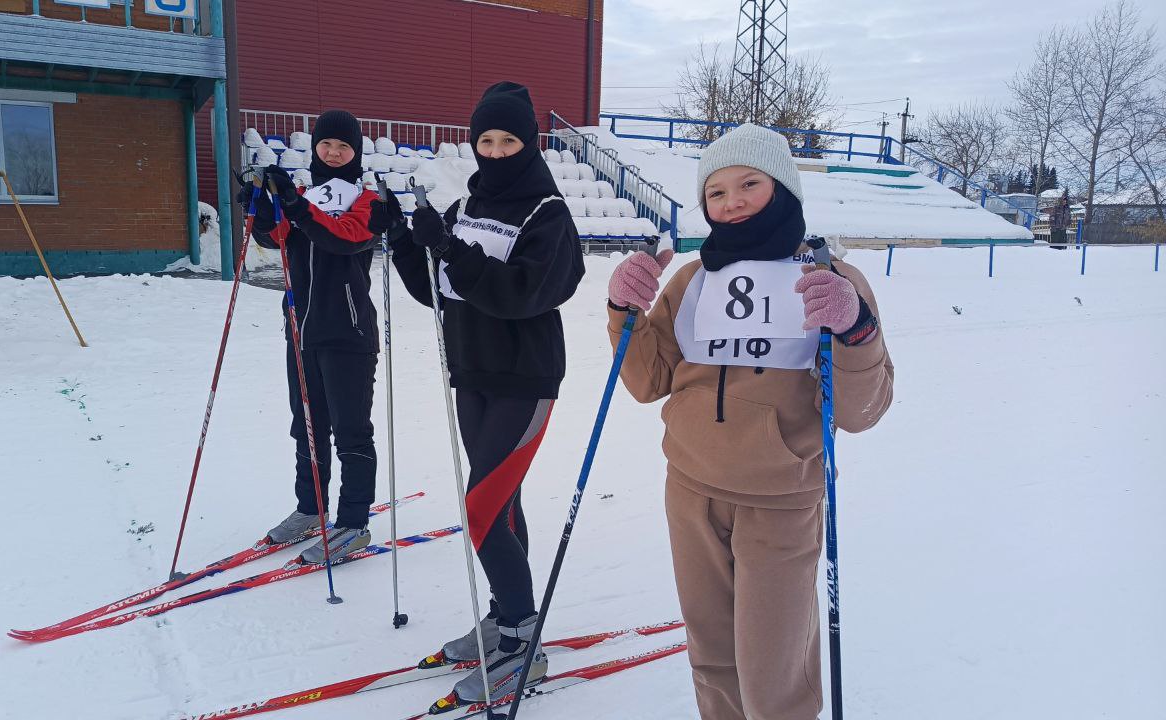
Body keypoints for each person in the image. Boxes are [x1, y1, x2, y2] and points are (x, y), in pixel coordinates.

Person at [605, 124, 894, 720]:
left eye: (749, 184)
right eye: (716, 192)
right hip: (691, 489)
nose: (731, 202)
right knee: (712, 657)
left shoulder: (827, 277)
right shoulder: (692, 279)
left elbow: (862, 411)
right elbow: (646, 381)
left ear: (782, 187)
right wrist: (622, 311)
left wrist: (855, 328)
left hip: (780, 498)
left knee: (772, 671)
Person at [370, 81, 585, 707]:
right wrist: (404, 237)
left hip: (525, 379)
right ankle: (504, 615)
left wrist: (451, 250)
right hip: (472, 373)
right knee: (501, 502)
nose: (494, 152)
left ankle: (523, 642)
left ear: (530, 143)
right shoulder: (466, 205)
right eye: (485, 140)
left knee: (482, 506)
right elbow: (434, 288)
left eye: (508, 140)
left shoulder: (548, 215)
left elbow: (523, 294)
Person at [237, 110, 381, 565]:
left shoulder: (368, 200)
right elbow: (277, 238)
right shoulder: (302, 196)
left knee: (350, 431)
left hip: (349, 333)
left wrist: (297, 208)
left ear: (356, 151)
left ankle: (353, 523)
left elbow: (346, 238)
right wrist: (262, 208)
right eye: (326, 145)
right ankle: (310, 508)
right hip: (301, 329)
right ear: (315, 148)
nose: (334, 153)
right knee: (307, 427)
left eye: (343, 146)